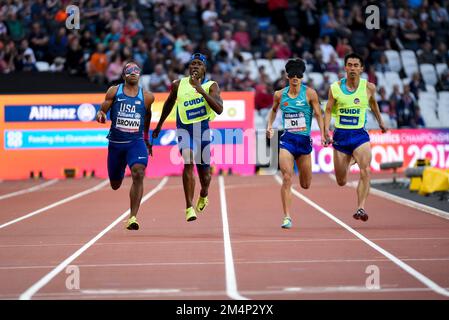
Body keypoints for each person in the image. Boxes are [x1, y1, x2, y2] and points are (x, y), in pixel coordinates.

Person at [152, 53, 223, 222]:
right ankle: (189, 207)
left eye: (199, 63)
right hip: (185, 130)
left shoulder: (211, 86)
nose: (195, 66)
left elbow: (219, 109)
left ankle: (204, 193)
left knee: (205, 175)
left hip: (203, 131)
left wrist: (201, 91)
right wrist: (160, 124)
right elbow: (169, 103)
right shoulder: (178, 84)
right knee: (188, 161)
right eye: (193, 64)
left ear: (204, 68)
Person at [323, 53, 387, 222]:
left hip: (360, 135)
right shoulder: (335, 87)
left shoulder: (369, 87)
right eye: (349, 65)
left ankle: (361, 208)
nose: (352, 68)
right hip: (341, 136)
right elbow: (328, 110)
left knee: (365, 170)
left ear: (361, 68)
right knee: (341, 181)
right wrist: (325, 131)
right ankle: (350, 160)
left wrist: (381, 122)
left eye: (355, 65)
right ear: (345, 67)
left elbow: (373, 104)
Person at [266, 58, 326, 229]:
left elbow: (319, 115)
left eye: (298, 76)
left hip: (304, 142)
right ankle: (287, 217)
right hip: (288, 140)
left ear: (302, 77)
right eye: (292, 75)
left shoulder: (310, 94)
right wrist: (270, 126)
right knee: (286, 177)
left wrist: (323, 134)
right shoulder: (279, 94)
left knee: (305, 184)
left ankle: (290, 209)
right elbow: (273, 111)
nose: (295, 78)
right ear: (287, 76)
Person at [96, 61, 155, 230]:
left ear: (140, 74)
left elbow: (147, 118)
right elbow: (102, 110)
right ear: (124, 75)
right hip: (115, 144)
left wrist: (146, 138)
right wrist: (100, 115)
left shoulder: (147, 96)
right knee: (115, 184)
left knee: (138, 172)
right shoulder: (114, 91)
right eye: (129, 71)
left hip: (135, 143)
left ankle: (133, 217)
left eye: (136, 70)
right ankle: (119, 170)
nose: (133, 73)